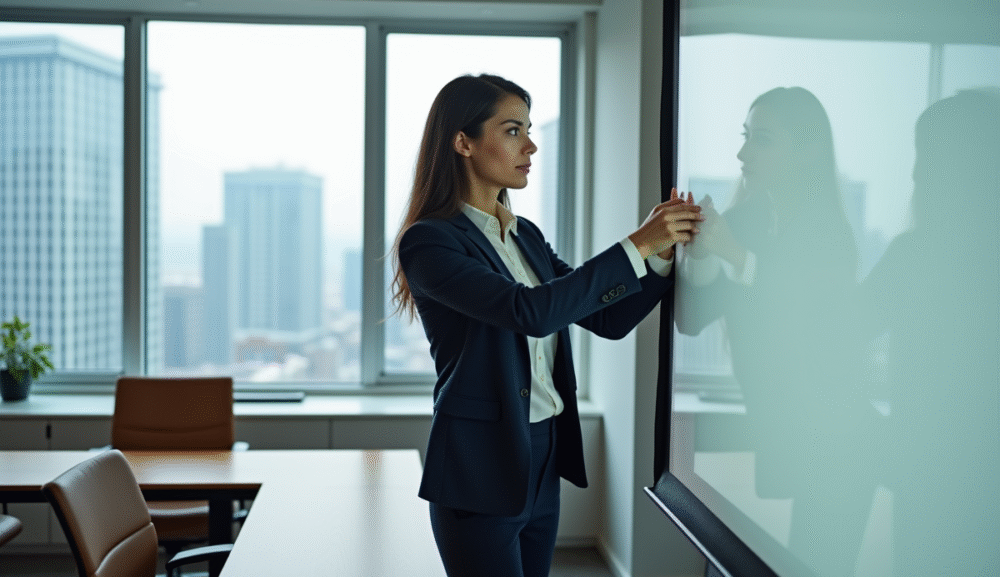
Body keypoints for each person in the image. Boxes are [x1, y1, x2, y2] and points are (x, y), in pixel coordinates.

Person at [391, 74, 702, 577]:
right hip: (479, 466)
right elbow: (530, 312)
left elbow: (606, 316)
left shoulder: (525, 235)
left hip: (542, 454)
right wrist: (635, 245)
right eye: (513, 131)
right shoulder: (429, 242)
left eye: (528, 130)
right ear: (463, 142)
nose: (531, 145)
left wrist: (660, 258)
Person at [676, 87, 876, 577]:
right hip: (788, 436)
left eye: (761, 140)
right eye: (745, 137)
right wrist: (703, 252)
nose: (743, 153)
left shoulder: (830, 232)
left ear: (807, 151)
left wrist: (734, 254)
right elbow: (691, 318)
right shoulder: (745, 220)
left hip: (841, 438)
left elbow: (808, 312)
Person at [857, 88, 1000, 575]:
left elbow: (833, 335)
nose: (916, 175)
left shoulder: (914, 257)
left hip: (929, 483)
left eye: (927, 159)